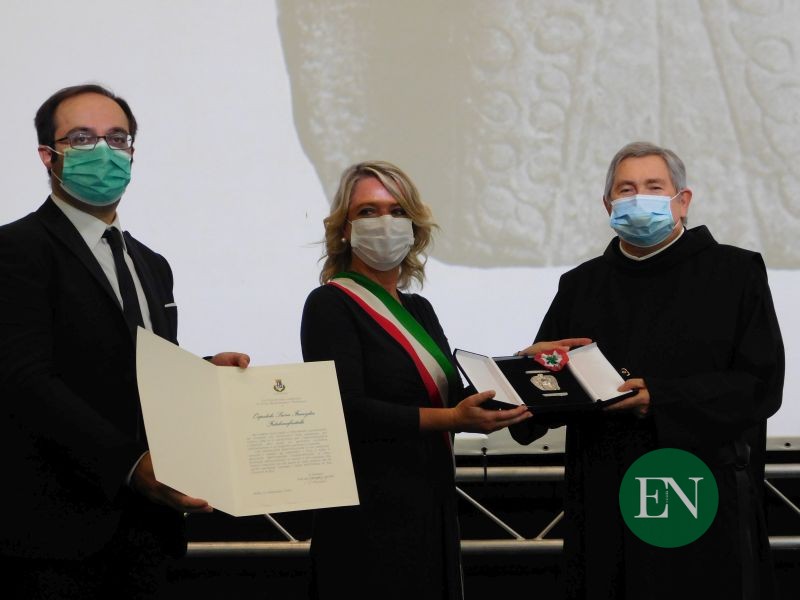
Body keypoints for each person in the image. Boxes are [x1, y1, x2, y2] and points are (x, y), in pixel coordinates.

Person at [0, 84, 249, 599]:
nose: (104, 152)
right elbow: (25, 380)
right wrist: (131, 465)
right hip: (55, 537)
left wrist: (202, 372)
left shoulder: (151, 264)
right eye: (82, 138)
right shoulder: (15, 249)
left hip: (149, 536)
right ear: (48, 156)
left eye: (117, 139)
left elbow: (134, 365)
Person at [300, 160, 585, 600]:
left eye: (397, 211)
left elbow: (456, 396)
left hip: (428, 504)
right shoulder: (329, 305)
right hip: (365, 515)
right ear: (344, 229)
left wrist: (529, 368)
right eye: (368, 211)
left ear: (414, 227)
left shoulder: (419, 310)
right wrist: (451, 419)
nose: (385, 222)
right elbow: (346, 411)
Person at [512, 141, 785, 599]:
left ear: (683, 200)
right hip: (605, 493)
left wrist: (661, 397)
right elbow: (546, 393)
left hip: (701, 490)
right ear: (607, 205)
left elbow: (760, 386)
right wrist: (528, 368)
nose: (639, 198)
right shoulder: (581, 285)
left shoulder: (736, 273)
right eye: (626, 189)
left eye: (654, 187)